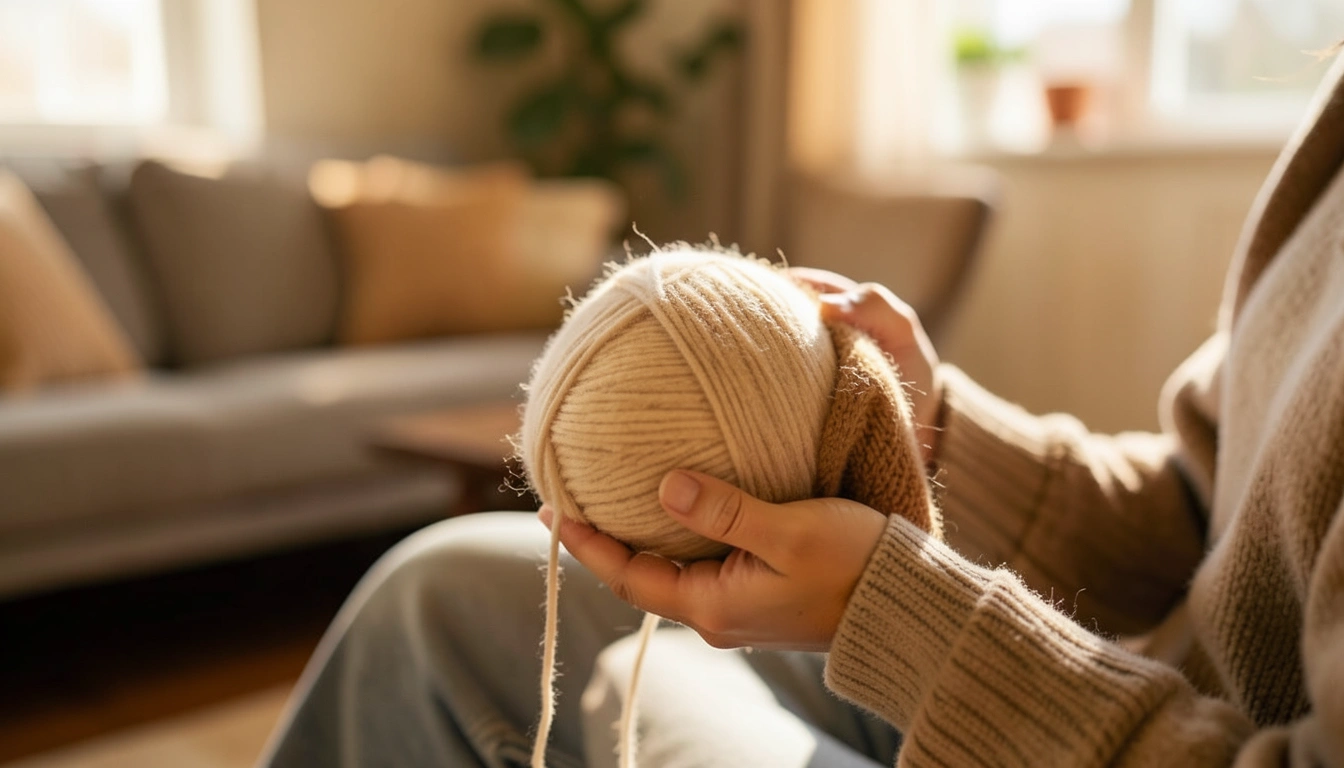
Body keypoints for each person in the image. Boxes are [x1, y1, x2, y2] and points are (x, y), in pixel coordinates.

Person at [259, 52, 1344, 768]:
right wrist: (922, 436)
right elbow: (1197, 512)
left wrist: (902, 616)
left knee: (634, 677)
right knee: (435, 598)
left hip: (1100, 736)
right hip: (1106, 689)